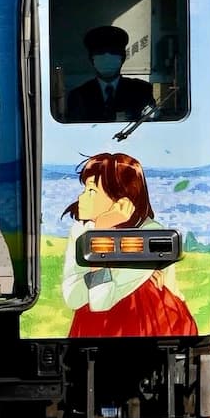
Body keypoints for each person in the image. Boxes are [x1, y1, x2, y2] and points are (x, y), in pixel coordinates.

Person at [61, 151, 198, 337]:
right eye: (85, 189)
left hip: (146, 325)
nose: (81, 197)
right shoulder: (80, 230)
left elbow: (101, 302)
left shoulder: (150, 233)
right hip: (94, 327)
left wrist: (101, 235)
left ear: (122, 199)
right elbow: (71, 297)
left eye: (92, 191)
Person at [66, 25, 155, 122]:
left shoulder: (141, 90)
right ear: (91, 59)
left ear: (123, 57)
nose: (107, 58)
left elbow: (150, 121)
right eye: (100, 53)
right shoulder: (79, 95)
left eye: (113, 52)